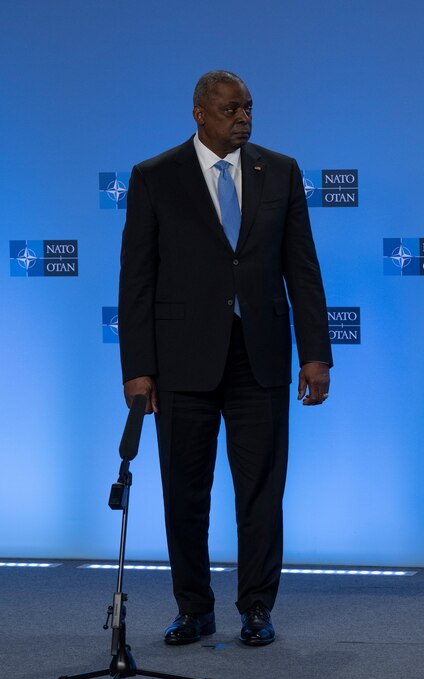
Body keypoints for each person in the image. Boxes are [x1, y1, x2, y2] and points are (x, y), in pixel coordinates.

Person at [118, 70, 333, 647]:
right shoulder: (154, 177)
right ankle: (194, 609)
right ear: (199, 113)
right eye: (232, 108)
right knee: (184, 490)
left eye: (249, 108)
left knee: (261, 488)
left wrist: (316, 353)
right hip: (181, 361)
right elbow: (136, 281)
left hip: (259, 357)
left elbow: (302, 269)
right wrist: (138, 369)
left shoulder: (280, 171)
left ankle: (257, 607)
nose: (244, 117)